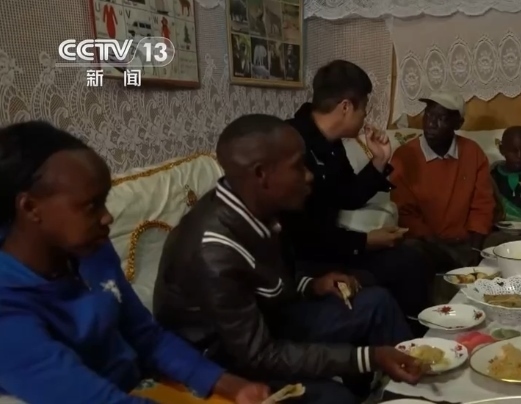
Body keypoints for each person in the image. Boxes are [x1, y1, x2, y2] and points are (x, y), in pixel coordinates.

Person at [153, 114, 423, 404]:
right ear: (261, 174)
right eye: (298, 166)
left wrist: (312, 285)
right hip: (225, 360)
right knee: (335, 399)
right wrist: (370, 357)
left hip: (268, 320)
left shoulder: (257, 205)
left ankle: (419, 388)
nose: (309, 175)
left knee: (377, 304)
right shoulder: (214, 253)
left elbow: (269, 280)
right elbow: (260, 355)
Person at [0, 121, 268, 404]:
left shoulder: (90, 251)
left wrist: (229, 384)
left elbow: (146, 335)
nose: (107, 217)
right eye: (91, 206)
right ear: (30, 207)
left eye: (105, 201)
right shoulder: (7, 306)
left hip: (140, 385)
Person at [280, 60, 432, 325]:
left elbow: (347, 195)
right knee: (403, 266)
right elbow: (301, 233)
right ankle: (407, 335)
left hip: (332, 247)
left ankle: (418, 332)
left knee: (413, 256)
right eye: (364, 107)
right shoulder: (290, 142)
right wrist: (365, 241)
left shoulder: (331, 141)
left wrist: (378, 160)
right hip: (304, 261)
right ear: (346, 107)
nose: (365, 116)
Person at [390, 92, 495, 270]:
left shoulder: (472, 152)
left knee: (503, 244)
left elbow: (482, 205)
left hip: (466, 242)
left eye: (441, 118)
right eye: (428, 114)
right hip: (426, 244)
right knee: (409, 252)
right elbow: (405, 213)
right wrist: (441, 248)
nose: (431, 123)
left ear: (458, 124)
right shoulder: (405, 156)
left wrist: (475, 249)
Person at [485, 126, 521, 247]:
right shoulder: (492, 176)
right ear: (502, 150)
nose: (519, 156)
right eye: (513, 151)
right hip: (499, 232)